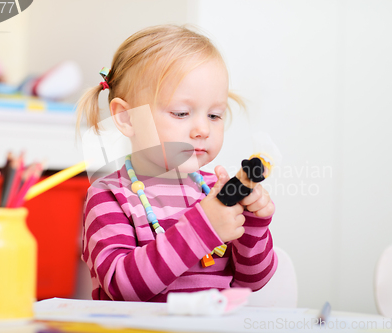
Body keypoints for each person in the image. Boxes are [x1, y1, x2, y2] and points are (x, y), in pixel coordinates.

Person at [76, 24, 278, 302]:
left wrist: (253, 224)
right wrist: (202, 228)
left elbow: (252, 282)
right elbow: (121, 288)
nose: (202, 130)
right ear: (127, 117)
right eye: (181, 113)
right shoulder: (110, 197)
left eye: (215, 116)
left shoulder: (215, 191)